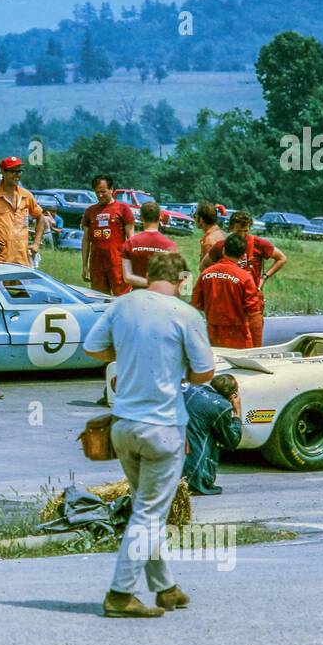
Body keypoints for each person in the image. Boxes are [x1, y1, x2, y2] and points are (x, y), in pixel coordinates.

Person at [84, 251, 216, 618]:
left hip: (123, 424)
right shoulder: (185, 315)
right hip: (162, 426)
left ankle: (165, 587)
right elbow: (205, 373)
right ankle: (119, 593)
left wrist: (127, 355)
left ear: (147, 276)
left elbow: (92, 348)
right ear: (182, 280)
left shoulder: (122, 304)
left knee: (147, 506)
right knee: (149, 514)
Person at [205, 211, 288, 347]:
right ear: (231, 228)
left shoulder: (258, 244)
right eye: (238, 231)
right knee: (227, 343)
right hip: (229, 301)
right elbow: (205, 264)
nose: (242, 235)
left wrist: (264, 277)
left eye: (245, 231)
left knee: (254, 343)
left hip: (251, 300)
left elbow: (281, 258)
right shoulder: (222, 246)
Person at [192, 232, 262, 348]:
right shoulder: (245, 278)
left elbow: (196, 304)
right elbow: (254, 315)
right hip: (238, 338)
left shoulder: (205, 274)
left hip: (212, 335)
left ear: (223, 250)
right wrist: (258, 347)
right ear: (242, 255)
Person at [181, 374, 241, 496]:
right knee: (217, 433)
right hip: (191, 473)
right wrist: (237, 414)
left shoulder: (191, 387)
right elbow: (232, 441)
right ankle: (198, 478)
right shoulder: (221, 406)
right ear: (232, 394)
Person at [81, 175, 135, 295]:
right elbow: (85, 240)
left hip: (117, 263)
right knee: (99, 299)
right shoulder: (90, 211)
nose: (100, 195)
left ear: (112, 190)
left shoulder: (123, 209)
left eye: (103, 191)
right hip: (97, 264)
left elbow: (131, 239)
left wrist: (132, 264)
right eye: (97, 192)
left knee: (121, 299)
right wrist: (84, 266)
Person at [121, 201, 178, 289]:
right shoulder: (170, 245)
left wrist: (148, 283)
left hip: (138, 295)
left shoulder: (130, 243)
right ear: (160, 217)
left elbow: (127, 277)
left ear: (140, 218)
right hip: (161, 295)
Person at [195, 200, 224, 270]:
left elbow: (207, 269)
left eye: (195, 216)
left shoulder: (209, 241)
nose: (194, 219)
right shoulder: (221, 234)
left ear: (201, 219)